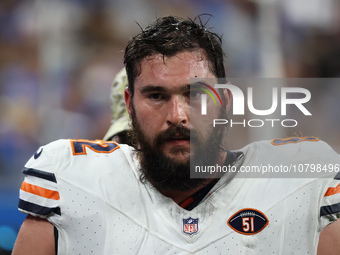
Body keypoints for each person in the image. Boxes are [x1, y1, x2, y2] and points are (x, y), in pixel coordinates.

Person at [12, 15, 340, 254]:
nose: (176, 116)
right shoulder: (68, 179)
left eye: (194, 95)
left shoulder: (305, 182)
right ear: (130, 103)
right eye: (157, 96)